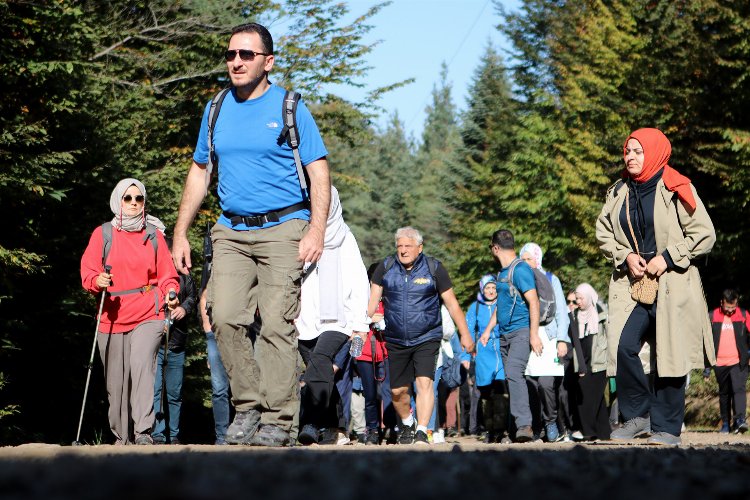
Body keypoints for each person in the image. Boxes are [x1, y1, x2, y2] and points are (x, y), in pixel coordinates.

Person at [171, 22, 331, 447]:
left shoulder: (291, 107)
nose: (236, 62)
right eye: (231, 55)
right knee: (222, 316)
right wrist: (180, 232)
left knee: (277, 324)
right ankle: (248, 408)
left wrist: (316, 229)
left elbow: (319, 173)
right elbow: (200, 171)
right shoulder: (217, 108)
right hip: (230, 229)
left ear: (268, 61)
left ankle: (278, 420)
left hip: (285, 228)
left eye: (246, 55)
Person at [596, 127, 716, 446]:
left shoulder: (677, 186)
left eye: (638, 151)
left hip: (672, 284)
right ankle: (639, 415)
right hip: (634, 285)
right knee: (623, 346)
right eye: (627, 150)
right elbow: (604, 232)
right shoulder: (619, 191)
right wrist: (625, 256)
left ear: (654, 152)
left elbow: (705, 234)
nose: (630, 156)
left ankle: (667, 428)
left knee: (669, 355)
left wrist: (669, 256)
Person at [80, 178, 179, 445]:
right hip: (111, 313)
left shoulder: (154, 235)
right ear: (118, 200)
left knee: (142, 367)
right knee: (116, 382)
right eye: (128, 198)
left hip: (149, 310)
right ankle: (121, 438)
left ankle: (143, 432)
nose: (134, 203)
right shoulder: (103, 234)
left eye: (139, 199)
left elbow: (168, 275)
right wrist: (96, 281)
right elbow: (88, 271)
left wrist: (171, 293)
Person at [367, 227, 475, 445]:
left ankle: (422, 430)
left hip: (427, 337)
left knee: (424, 383)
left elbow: (452, 304)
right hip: (396, 339)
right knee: (397, 392)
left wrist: (465, 333)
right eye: (400, 246)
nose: (403, 250)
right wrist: (367, 319)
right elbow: (371, 303)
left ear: (420, 247)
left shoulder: (434, 269)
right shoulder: (385, 267)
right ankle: (408, 423)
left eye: (408, 246)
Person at [296, 187, 370, 446]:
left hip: (340, 319)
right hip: (304, 320)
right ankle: (336, 427)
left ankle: (310, 423)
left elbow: (360, 282)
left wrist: (361, 324)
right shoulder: (297, 234)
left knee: (319, 363)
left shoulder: (345, 239)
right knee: (322, 372)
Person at [480, 229, 540, 443]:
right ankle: (515, 429)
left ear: (495, 248)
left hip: (521, 332)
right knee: (510, 378)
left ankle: (525, 425)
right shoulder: (502, 273)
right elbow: (502, 305)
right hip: (504, 334)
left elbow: (534, 301)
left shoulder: (520, 269)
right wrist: (487, 330)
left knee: (514, 373)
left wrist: (534, 335)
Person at [518, 242, 571, 442]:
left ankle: (551, 422)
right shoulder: (519, 281)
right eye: (522, 260)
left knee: (546, 384)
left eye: (528, 259)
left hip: (548, 336)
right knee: (529, 383)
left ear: (537, 259)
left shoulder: (551, 279)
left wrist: (562, 340)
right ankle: (536, 426)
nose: (524, 263)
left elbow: (561, 313)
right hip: (526, 335)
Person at [152, 255, 197, 445]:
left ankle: (174, 434)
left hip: (177, 344)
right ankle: (157, 433)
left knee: (174, 392)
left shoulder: (186, 278)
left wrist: (184, 309)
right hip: (156, 344)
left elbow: (193, 298)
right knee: (155, 390)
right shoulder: (155, 278)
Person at [466, 275, 508, 443]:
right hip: (483, 352)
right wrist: (465, 356)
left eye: (493, 288)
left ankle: (501, 430)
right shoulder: (475, 307)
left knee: (500, 390)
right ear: (482, 289)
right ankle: (488, 429)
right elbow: (468, 332)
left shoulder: (504, 304)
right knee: (485, 392)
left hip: (501, 348)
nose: (490, 291)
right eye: (487, 288)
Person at [569, 283, 610, 441]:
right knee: (596, 399)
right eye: (577, 298)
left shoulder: (602, 314)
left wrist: (611, 360)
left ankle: (587, 431)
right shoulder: (574, 316)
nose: (578, 301)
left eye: (581, 298)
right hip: (583, 364)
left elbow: (610, 338)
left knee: (590, 397)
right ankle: (603, 433)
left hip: (600, 362)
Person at [709, 289, 750, 433]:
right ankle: (726, 423)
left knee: (739, 389)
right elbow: (706, 341)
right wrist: (707, 366)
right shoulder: (712, 316)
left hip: (738, 361)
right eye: (728, 308)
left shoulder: (743, 315)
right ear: (722, 303)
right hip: (719, 363)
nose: (731, 311)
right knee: (724, 393)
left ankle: (740, 420)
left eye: (733, 307)